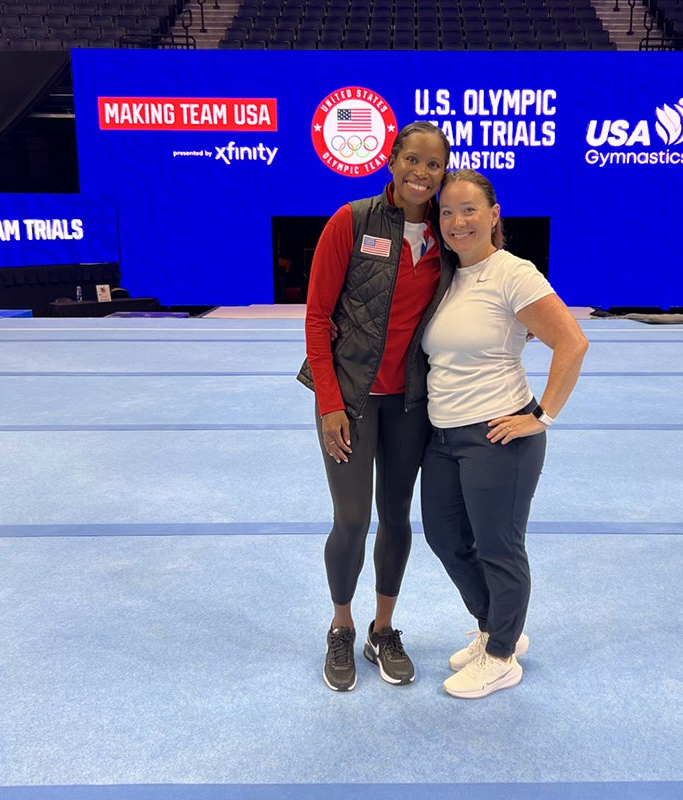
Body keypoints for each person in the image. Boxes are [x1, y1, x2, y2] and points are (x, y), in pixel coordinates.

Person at [297, 122, 456, 692]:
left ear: (444, 172)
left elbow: (486, 285)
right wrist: (329, 405)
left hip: (411, 402)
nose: (421, 173)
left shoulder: (447, 235)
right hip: (351, 400)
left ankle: (381, 628)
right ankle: (340, 626)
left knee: (396, 517)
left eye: (433, 165)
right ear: (391, 160)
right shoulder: (353, 220)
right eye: (412, 160)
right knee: (352, 519)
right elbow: (317, 319)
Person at [420, 169, 589, 699]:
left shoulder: (513, 273)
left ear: (494, 214)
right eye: (446, 212)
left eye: (469, 209)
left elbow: (572, 342)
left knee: (498, 547)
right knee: (445, 539)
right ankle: (498, 627)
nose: (456, 222)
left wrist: (541, 415)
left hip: (498, 436)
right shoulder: (447, 276)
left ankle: (500, 657)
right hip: (443, 436)